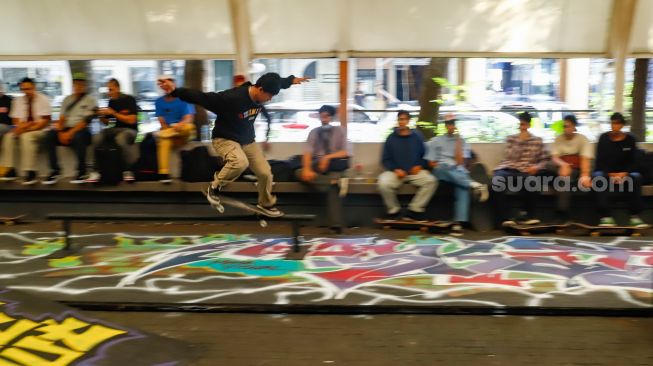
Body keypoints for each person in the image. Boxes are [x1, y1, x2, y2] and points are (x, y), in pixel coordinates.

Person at [162, 72, 309, 217]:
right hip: (224, 139)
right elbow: (201, 97)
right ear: (260, 89)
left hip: (247, 140)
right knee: (240, 162)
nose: (268, 100)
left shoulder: (264, 88)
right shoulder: (230, 98)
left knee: (265, 174)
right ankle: (214, 187)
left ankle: (265, 204)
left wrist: (290, 80)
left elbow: (279, 82)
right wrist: (175, 91)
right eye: (268, 96)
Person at [425, 114, 489, 234]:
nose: (451, 126)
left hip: (457, 170)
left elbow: (461, 162)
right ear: (445, 125)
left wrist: (458, 143)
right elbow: (430, 163)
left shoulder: (462, 141)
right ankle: (474, 184)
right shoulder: (436, 141)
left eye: (453, 123)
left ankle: (458, 223)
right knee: (443, 168)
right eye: (449, 124)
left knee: (462, 186)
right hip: (441, 170)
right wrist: (438, 165)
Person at [296, 104, 351, 232]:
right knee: (299, 172)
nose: (324, 118)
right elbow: (308, 153)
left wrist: (327, 158)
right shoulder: (314, 132)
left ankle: (336, 224)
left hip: (334, 166)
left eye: (327, 116)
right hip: (318, 167)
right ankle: (332, 182)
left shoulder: (340, 130)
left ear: (331, 117)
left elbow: (346, 152)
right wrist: (307, 169)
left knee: (333, 189)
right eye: (322, 116)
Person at [492, 112, 550, 226]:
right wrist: (521, 141)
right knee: (497, 182)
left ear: (529, 125)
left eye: (524, 124)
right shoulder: (511, 139)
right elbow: (511, 157)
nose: (522, 126)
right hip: (508, 168)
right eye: (520, 124)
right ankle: (505, 218)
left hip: (525, 171)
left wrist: (536, 167)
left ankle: (527, 216)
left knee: (532, 182)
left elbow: (545, 160)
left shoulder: (538, 141)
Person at [377, 110, 436, 221]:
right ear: (398, 121)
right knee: (382, 183)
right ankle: (394, 211)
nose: (402, 122)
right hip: (397, 173)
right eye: (400, 119)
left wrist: (420, 165)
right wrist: (395, 169)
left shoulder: (417, 136)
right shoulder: (390, 138)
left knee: (431, 181)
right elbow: (385, 160)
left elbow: (426, 155)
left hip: (415, 172)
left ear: (408, 121)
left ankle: (414, 210)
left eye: (404, 119)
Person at [593, 112, 647, 228]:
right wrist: (611, 174)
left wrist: (624, 173)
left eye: (617, 124)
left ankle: (635, 216)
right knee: (597, 176)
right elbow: (599, 161)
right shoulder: (603, 138)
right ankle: (606, 217)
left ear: (622, 125)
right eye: (612, 123)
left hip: (625, 173)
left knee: (636, 177)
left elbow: (634, 161)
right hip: (607, 172)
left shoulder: (630, 139)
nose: (614, 126)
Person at [42, 73, 97, 184]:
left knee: (78, 136)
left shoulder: (90, 100)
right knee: (49, 135)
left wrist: (70, 133)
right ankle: (55, 171)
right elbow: (62, 118)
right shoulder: (67, 99)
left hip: (82, 130)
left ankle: (81, 172)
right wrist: (61, 132)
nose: (78, 87)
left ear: (85, 86)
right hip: (66, 129)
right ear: (73, 85)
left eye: (81, 84)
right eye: (76, 84)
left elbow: (85, 122)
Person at [86, 78, 140, 183]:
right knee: (98, 135)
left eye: (111, 89)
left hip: (130, 130)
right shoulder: (111, 102)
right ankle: (95, 170)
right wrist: (101, 116)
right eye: (108, 90)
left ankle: (128, 170)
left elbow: (132, 121)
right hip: (116, 129)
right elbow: (109, 123)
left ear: (118, 88)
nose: (109, 92)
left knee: (121, 138)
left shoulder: (129, 99)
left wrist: (114, 113)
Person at [0, 77, 51, 184]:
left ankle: (30, 171)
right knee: (8, 137)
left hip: (40, 130)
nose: (26, 92)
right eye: (23, 89)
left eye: (29, 89)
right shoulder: (18, 101)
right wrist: (20, 128)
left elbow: (45, 122)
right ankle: (10, 170)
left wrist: (26, 128)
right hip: (24, 128)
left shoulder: (43, 99)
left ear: (34, 87)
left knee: (26, 137)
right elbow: (15, 120)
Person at [549, 114, 592, 223]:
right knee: (547, 171)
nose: (565, 129)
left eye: (568, 126)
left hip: (575, 170)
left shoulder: (582, 139)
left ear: (574, 127)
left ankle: (561, 214)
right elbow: (554, 157)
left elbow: (585, 158)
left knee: (563, 180)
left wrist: (585, 175)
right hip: (560, 168)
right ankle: (563, 216)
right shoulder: (559, 138)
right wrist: (563, 165)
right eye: (564, 126)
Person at [154, 75, 196, 183]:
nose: (166, 87)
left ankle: (166, 134)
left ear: (173, 85)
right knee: (164, 142)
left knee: (189, 126)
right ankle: (164, 174)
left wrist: (179, 126)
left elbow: (188, 118)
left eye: (168, 84)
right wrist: (171, 133)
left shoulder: (184, 99)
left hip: (182, 131)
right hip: (169, 133)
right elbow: (162, 122)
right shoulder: (158, 102)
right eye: (163, 85)